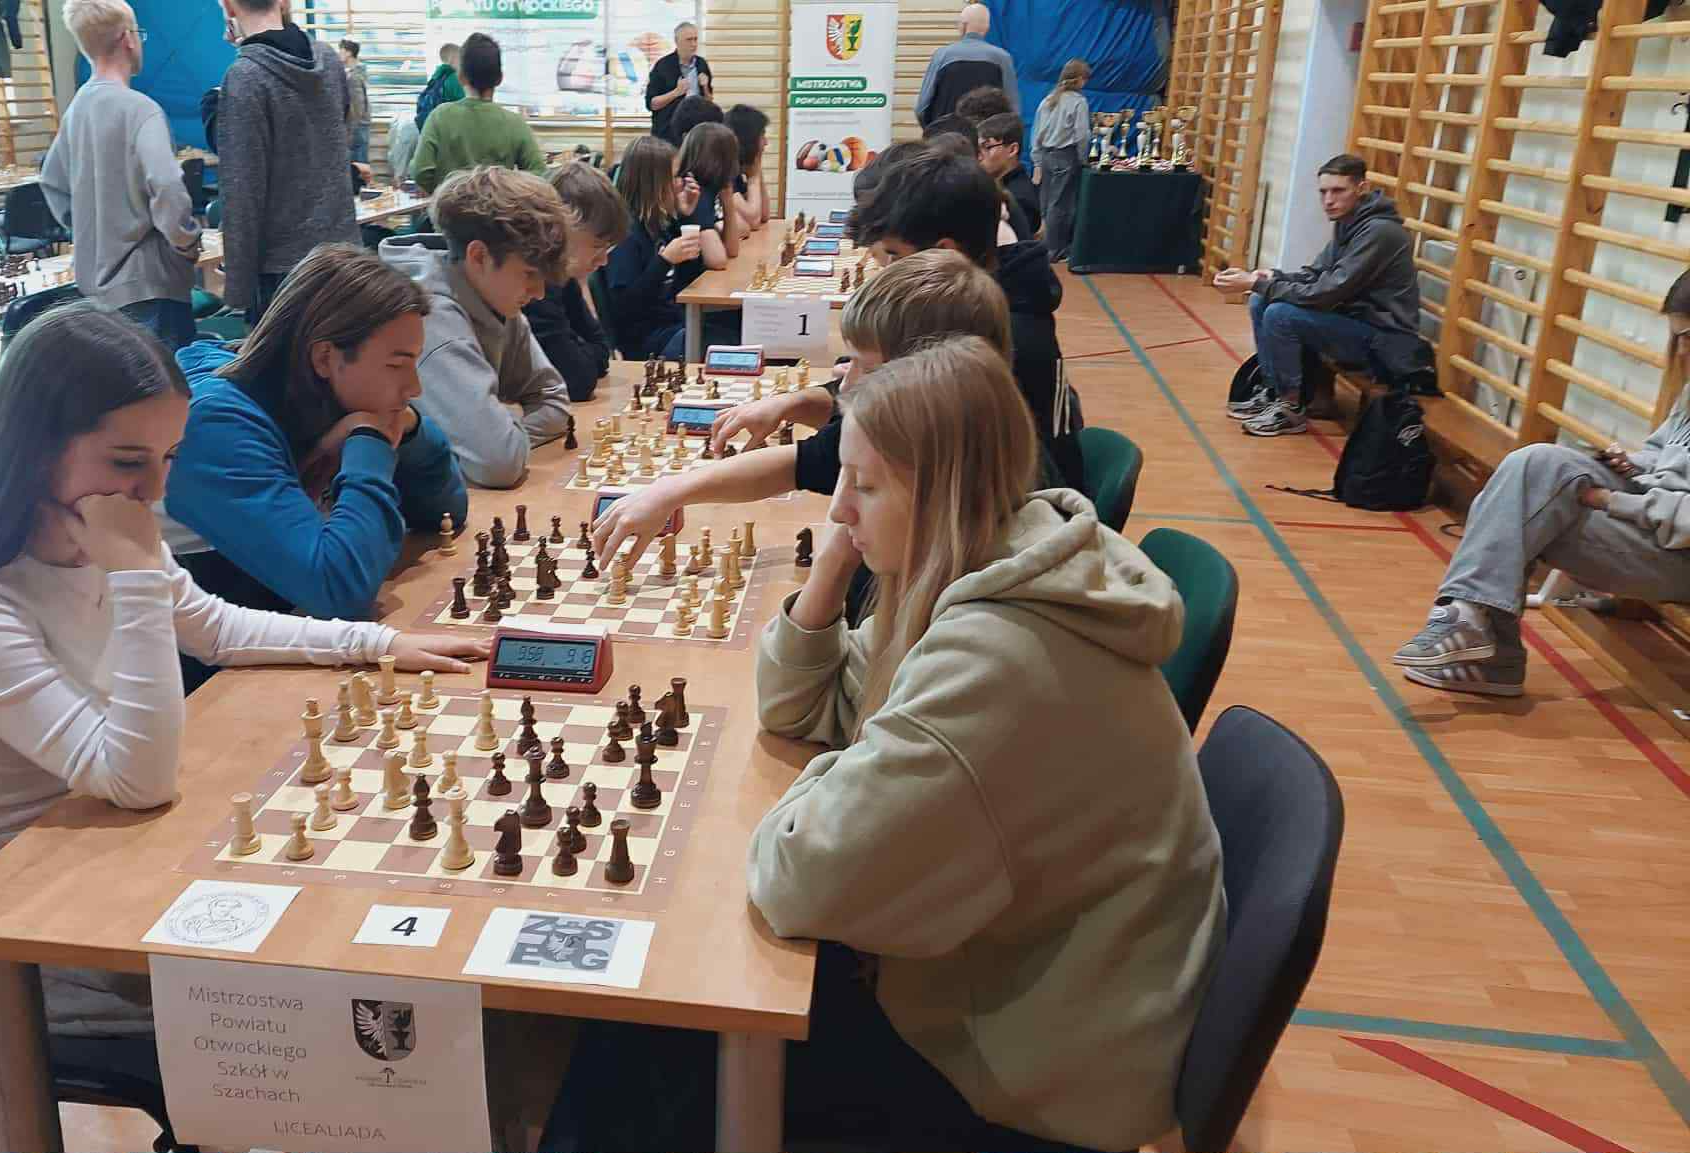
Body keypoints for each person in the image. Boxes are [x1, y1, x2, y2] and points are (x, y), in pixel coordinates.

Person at [549, 337, 1225, 1153]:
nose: (837, 508)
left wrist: (841, 774)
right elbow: (809, 709)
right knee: (644, 1026)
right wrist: (836, 561)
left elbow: (800, 874)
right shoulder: (993, 554)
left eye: (864, 485)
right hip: (1028, 984)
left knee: (649, 1040)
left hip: (1035, 1075)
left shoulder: (998, 654)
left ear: (941, 492)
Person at [0, 304, 485, 1035]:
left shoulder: (105, 531)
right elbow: (137, 779)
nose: (155, 492)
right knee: (393, 991)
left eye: (168, 458)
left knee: (416, 919)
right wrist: (135, 577)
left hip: (144, 867)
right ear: (31, 449)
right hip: (65, 951)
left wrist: (376, 644)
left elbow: (218, 628)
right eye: (127, 462)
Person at [591, 249, 1028, 624]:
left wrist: (833, 562)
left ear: (927, 379)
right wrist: (670, 491)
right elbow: (807, 459)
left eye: (865, 368)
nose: (844, 383)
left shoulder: (969, 600)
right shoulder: (928, 449)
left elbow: (797, 465)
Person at [1394, 270, 1690, 697]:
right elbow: (1665, 457)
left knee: (1517, 517)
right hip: (1653, 520)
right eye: (1677, 337)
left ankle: (1489, 648)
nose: (1682, 350)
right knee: (1536, 463)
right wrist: (1634, 465)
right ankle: (1469, 618)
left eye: (1688, 336)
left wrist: (1610, 499)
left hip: (1678, 556)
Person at [162, 243, 468, 645]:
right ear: (324, 358)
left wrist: (409, 432)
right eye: (396, 365)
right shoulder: (214, 426)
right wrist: (370, 442)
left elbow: (446, 513)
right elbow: (339, 591)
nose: (414, 387)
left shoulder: (322, 396)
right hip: (200, 673)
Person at [845, 147, 1081, 491]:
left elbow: (904, 448)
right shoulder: (983, 301)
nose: (885, 270)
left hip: (1022, 509)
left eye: (894, 255)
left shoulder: (984, 338)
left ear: (944, 253)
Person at [378, 167, 571, 489]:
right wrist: (501, 435)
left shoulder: (494, 298)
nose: (539, 293)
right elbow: (499, 463)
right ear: (479, 255)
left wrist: (506, 431)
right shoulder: (429, 317)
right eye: (529, 274)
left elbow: (553, 401)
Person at [1217, 153, 1419, 438]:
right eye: (1323, 192)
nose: (1328, 200)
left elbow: (1328, 292)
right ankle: (1274, 392)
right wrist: (1271, 277)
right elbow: (1316, 274)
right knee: (1261, 299)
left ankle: (1290, 408)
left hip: (1386, 342)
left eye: (1338, 191)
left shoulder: (1380, 232)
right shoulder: (1349, 222)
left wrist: (1258, 284)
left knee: (1280, 314)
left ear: (1361, 188)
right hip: (1357, 324)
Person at [42, 0, 200, 349]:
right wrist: (185, 242)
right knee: (169, 382)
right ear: (128, 38)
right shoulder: (141, 110)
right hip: (151, 288)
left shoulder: (75, 112)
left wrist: (94, 230)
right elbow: (167, 184)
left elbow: (52, 182)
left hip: (95, 294)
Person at [214, 0, 356, 325]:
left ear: (228, 7)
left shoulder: (245, 78)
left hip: (283, 273)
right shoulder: (328, 60)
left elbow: (242, 194)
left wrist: (238, 292)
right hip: (343, 257)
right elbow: (337, 138)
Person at [524, 162, 624, 403]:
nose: (603, 260)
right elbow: (577, 381)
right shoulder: (534, 286)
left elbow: (601, 354)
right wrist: (581, 350)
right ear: (561, 230)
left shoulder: (563, 277)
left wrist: (580, 350)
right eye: (597, 247)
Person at [603, 134, 708, 360]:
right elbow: (625, 309)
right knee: (721, 342)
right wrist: (664, 262)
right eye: (675, 176)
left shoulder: (659, 224)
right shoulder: (626, 234)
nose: (681, 183)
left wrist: (685, 216)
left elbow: (691, 280)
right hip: (645, 342)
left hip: (673, 325)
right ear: (655, 184)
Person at [408, 33, 545, 196]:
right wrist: (506, 196)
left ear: (460, 77)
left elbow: (420, 171)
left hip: (449, 209)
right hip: (499, 210)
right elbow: (539, 175)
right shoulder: (515, 123)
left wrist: (443, 193)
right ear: (500, 78)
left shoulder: (439, 116)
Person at [915, 3, 1018, 127]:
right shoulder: (1002, 58)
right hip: (986, 136)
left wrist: (933, 130)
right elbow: (1013, 109)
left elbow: (922, 108)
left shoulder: (942, 55)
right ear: (987, 28)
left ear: (963, 25)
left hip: (945, 134)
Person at [1033, 58, 1091, 264]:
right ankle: (1055, 250)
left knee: (1047, 203)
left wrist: (1037, 160)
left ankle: (1044, 246)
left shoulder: (1048, 100)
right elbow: (1081, 135)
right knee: (1061, 205)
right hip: (1066, 156)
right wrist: (1083, 158)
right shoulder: (1078, 102)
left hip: (1047, 155)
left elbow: (1037, 133)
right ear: (1080, 79)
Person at [678, 120, 744, 263]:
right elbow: (717, 260)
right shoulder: (694, 190)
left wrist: (728, 199)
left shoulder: (709, 187)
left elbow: (732, 250)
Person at [979, 111, 1040, 241]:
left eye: (987, 147)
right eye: (978, 149)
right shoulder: (998, 186)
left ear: (1012, 150)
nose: (979, 156)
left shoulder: (1020, 198)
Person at [646, 21, 712, 140]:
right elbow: (652, 104)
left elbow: (709, 101)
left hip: (696, 132)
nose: (694, 44)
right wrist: (676, 92)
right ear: (677, 41)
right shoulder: (663, 66)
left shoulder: (701, 64)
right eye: (689, 40)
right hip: (668, 133)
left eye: (695, 39)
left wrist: (705, 87)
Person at [725, 103, 771, 234]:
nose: (766, 142)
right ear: (749, 140)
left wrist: (757, 169)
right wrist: (754, 178)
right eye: (762, 136)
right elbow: (753, 220)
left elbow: (764, 214)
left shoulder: (740, 168)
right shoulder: (725, 170)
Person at [414, 41, 465, 133]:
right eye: (462, 58)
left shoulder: (438, 76)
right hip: (450, 128)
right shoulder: (455, 79)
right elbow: (467, 104)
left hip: (435, 126)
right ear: (454, 59)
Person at [339, 39, 370, 165]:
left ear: (348, 53)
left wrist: (351, 129)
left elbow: (357, 105)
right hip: (359, 123)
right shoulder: (358, 71)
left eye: (341, 50)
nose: (339, 54)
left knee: (358, 164)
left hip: (356, 124)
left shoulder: (354, 76)